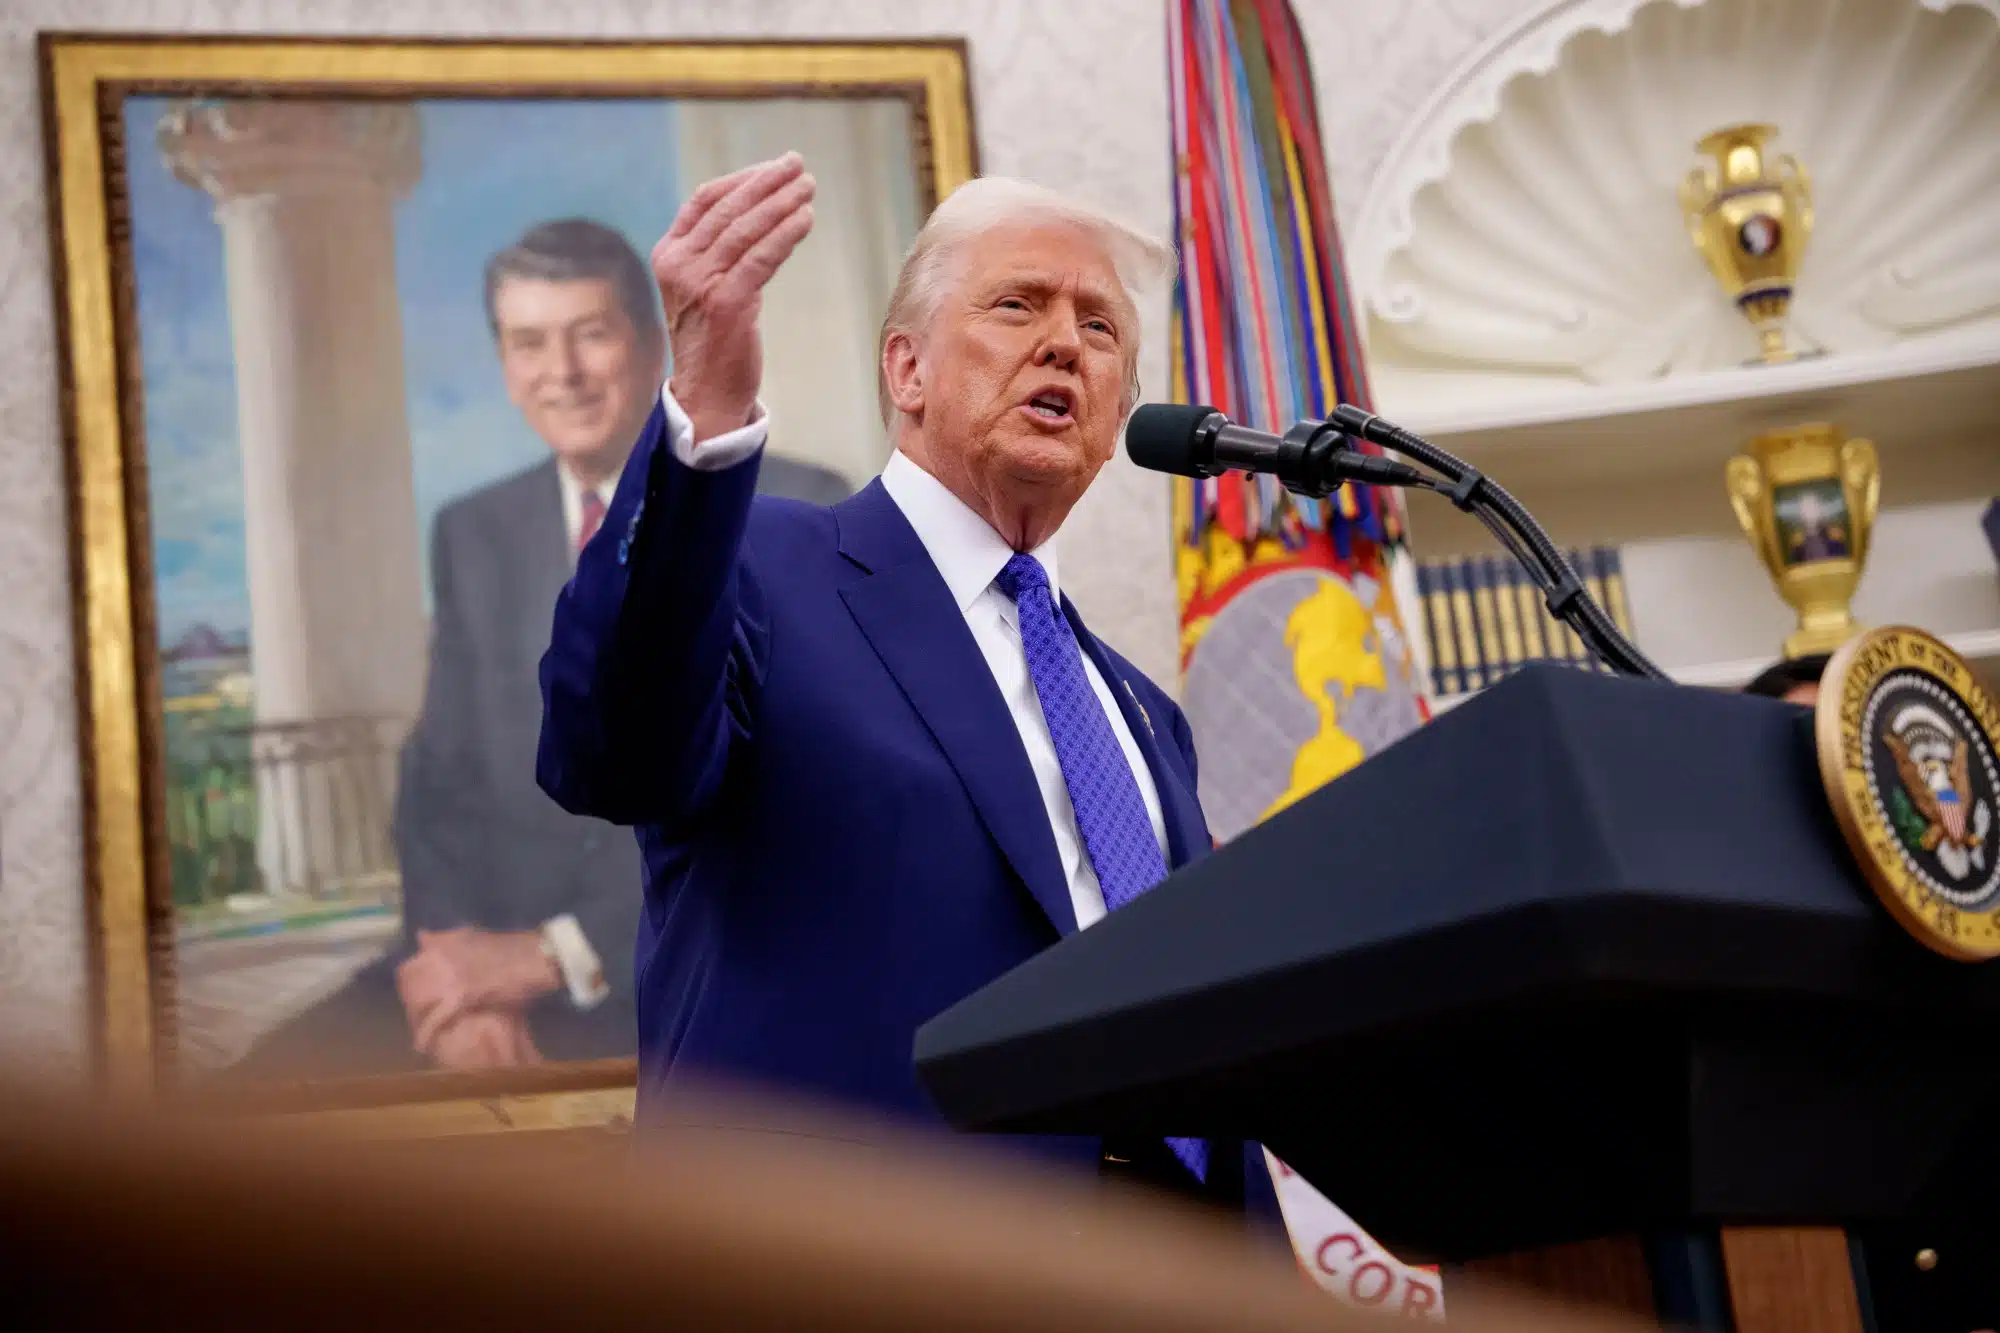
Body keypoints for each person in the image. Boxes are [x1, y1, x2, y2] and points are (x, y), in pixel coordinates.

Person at [536, 155, 1281, 1223]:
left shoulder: (1137, 712)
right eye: (1016, 303)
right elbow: (610, 745)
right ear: (907, 370)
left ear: (1115, 414)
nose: (1063, 340)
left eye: (1099, 328)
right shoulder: (766, 569)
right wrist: (702, 405)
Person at [236, 218, 850, 1077]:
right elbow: (437, 781)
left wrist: (558, 954)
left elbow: (792, 801)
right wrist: (454, 980)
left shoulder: (799, 505)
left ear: (651, 345)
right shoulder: (474, 531)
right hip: (485, 969)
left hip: (696, 970)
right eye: (529, 343)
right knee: (244, 1105)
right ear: (504, 364)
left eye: (590, 335)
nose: (560, 374)